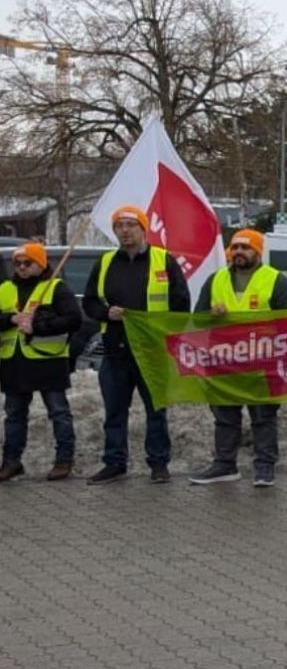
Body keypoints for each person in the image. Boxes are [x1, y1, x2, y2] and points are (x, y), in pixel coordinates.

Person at [85, 205, 191, 484]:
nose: (125, 231)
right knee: (115, 412)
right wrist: (106, 313)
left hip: (152, 351)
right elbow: (90, 302)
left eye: (131, 225)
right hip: (116, 350)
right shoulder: (106, 262)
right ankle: (115, 462)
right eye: (120, 226)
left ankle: (158, 463)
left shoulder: (164, 261)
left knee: (156, 410)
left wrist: (168, 336)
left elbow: (181, 304)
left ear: (144, 229)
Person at [188, 229, 287, 487]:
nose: (238, 252)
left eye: (245, 248)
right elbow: (197, 318)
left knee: (263, 417)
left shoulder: (277, 281)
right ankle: (224, 465)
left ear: (258, 252)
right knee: (225, 416)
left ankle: (264, 467)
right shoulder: (215, 280)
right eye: (235, 247)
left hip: (263, 362)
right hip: (224, 361)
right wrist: (211, 315)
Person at [1, 242, 82, 481]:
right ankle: (11, 461)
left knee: (58, 412)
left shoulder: (56, 287)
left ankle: (64, 460)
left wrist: (37, 326)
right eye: (17, 264)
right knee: (14, 414)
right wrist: (10, 319)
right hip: (14, 362)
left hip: (48, 361)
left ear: (41, 263)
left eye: (28, 263)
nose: (22, 268)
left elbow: (73, 319)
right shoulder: (5, 288)